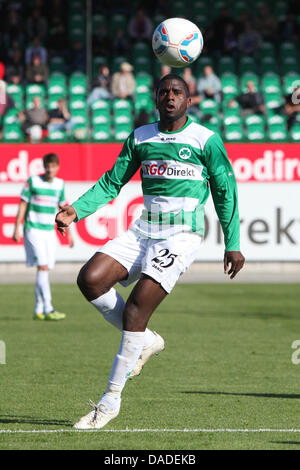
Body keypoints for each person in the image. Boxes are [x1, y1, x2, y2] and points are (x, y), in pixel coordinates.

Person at [55, 73, 245, 429]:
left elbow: (225, 190)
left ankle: (109, 402)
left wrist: (232, 242)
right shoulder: (141, 137)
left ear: (189, 101)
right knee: (90, 280)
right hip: (143, 229)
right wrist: (77, 210)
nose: (170, 96)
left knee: (136, 310)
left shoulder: (206, 140)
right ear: (156, 99)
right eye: (164, 92)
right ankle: (146, 340)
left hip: (181, 234)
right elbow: (113, 181)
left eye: (177, 92)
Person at [13, 153, 74, 321]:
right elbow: (23, 204)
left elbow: (63, 210)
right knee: (43, 267)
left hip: (49, 231)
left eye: (53, 166)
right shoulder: (33, 181)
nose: (50, 169)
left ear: (57, 167)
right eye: (47, 166)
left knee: (44, 271)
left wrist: (70, 234)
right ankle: (48, 308)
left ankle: (38, 309)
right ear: (44, 166)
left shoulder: (60, 184)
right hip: (33, 229)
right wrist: (16, 228)